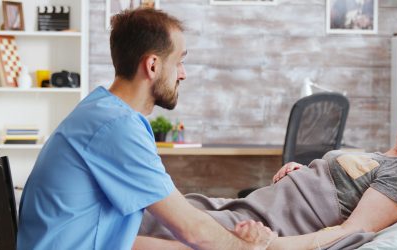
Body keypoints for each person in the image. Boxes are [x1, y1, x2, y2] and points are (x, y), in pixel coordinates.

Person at [17, 8, 275, 250]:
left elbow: (121, 240)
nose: (182, 74)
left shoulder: (101, 111)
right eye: (178, 62)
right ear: (152, 65)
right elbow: (191, 228)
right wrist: (248, 246)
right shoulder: (117, 128)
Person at [136, 87, 397, 249]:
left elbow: (352, 230)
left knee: (153, 220)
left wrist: (272, 246)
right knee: (163, 209)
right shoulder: (384, 156)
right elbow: (341, 182)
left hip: (268, 223)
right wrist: (301, 170)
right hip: (255, 205)